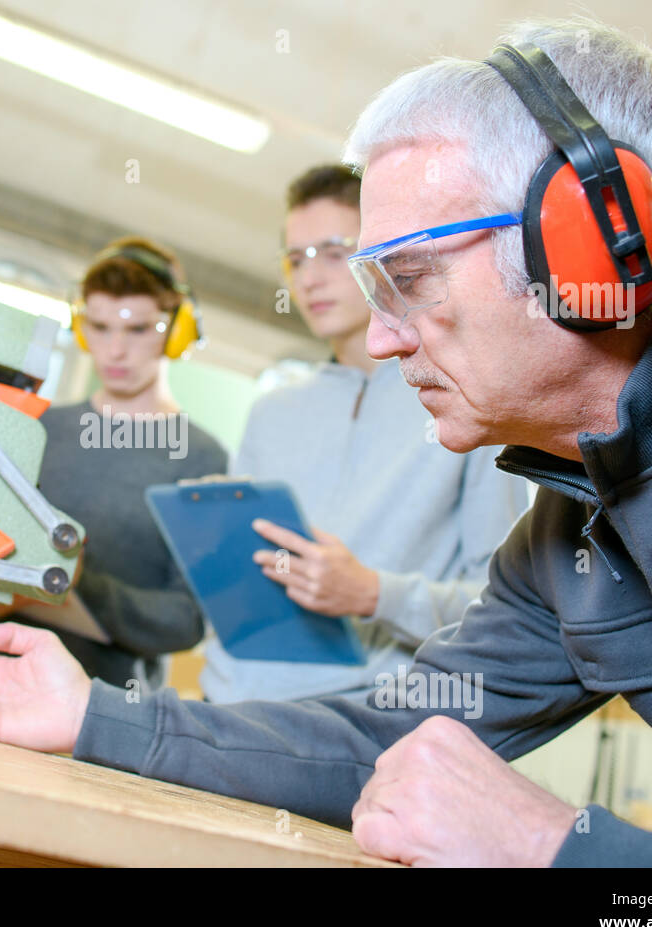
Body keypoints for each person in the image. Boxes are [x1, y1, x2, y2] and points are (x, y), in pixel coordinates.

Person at [0, 18, 652, 867]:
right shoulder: (571, 531)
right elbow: (383, 736)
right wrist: (94, 716)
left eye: (413, 279)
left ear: (593, 238)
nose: (385, 339)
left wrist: (549, 848)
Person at [203, 164, 530, 703]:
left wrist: (374, 594)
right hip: (234, 704)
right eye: (295, 259)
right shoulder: (271, 412)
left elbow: (504, 611)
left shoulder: (467, 403)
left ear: (384, 251)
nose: (308, 279)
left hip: (372, 719)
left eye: (333, 252)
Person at [0, 237, 227, 692]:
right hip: (0, 681)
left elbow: (184, 620)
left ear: (177, 331)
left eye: (138, 330)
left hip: (116, 711)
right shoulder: (40, 428)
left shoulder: (201, 456)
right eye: (99, 327)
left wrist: (73, 582)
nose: (114, 351)